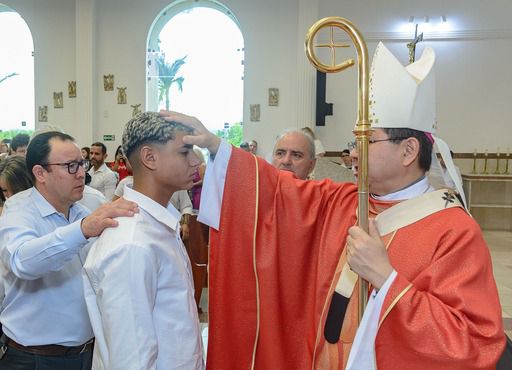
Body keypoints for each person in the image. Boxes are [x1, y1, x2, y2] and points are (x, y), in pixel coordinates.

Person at [161, 42, 504, 369]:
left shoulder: (453, 231)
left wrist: (386, 278)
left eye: (366, 141)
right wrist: (218, 148)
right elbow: (275, 192)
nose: (353, 153)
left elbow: (473, 343)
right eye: (354, 142)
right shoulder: (343, 200)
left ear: (409, 151)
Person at [0, 131, 137, 370]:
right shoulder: (19, 209)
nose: (82, 173)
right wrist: (82, 230)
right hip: (35, 358)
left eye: (81, 164)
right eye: (70, 166)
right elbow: (23, 261)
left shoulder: (83, 211)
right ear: (40, 173)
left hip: (86, 352)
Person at [83, 112, 204, 370]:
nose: (196, 161)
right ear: (150, 157)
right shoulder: (132, 242)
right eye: (185, 152)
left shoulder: (158, 225)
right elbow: (131, 357)